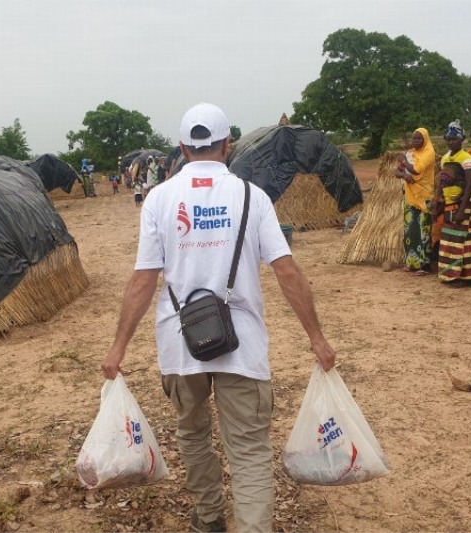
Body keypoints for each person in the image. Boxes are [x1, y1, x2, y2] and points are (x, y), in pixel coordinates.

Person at [101, 102, 337, 533]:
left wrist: (117, 348)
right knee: (247, 448)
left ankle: (209, 518)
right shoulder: (252, 196)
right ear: (228, 145)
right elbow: (285, 270)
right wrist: (317, 338)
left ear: (182, 147)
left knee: (192, 434)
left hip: (179, 342)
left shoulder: (159, 199)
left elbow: (143, 280)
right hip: (242, 346)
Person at [434, 120, 471, 284]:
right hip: (448, 205)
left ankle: (466, 277)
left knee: (464, 241)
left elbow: (470, 184)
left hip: (462, 205)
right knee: (450, 240)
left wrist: (462, 209)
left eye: (454, 139)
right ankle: (450, 274)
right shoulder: (445, 158)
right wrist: (438, 200)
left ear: (462, 140)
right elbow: (441, 183)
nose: (451, 142)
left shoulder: (466, 158)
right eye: (449, 139)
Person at [395, 128, 436, 275]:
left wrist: (403, 161)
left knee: (423, 230)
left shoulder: (429, 153)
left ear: (425, 139)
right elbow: (397, 172)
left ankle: (424, 266)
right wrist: (404, 176)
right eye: (414, 139)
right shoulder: (411, 153)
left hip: (425, 197)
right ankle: (411, 263)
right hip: (410, 197)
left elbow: (417, 170)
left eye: (419, 139)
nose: (416, 141)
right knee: (410, 230)